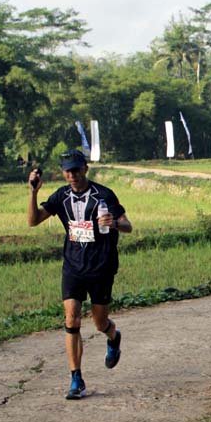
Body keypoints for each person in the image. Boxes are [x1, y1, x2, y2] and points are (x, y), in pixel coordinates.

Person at [27, 149, 133, 400]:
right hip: (73, 266)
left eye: (76, 169)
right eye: (67, 171)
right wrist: (33, 192)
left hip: (101, 267)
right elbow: (33, 221)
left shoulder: (104, 195)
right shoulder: (61, 197)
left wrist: (114, 223)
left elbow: (128, 225)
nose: (72, 175)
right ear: (63, 173)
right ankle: (76, 378)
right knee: (72, 319)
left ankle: (113, 336)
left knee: (99, 322)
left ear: (85, 169)